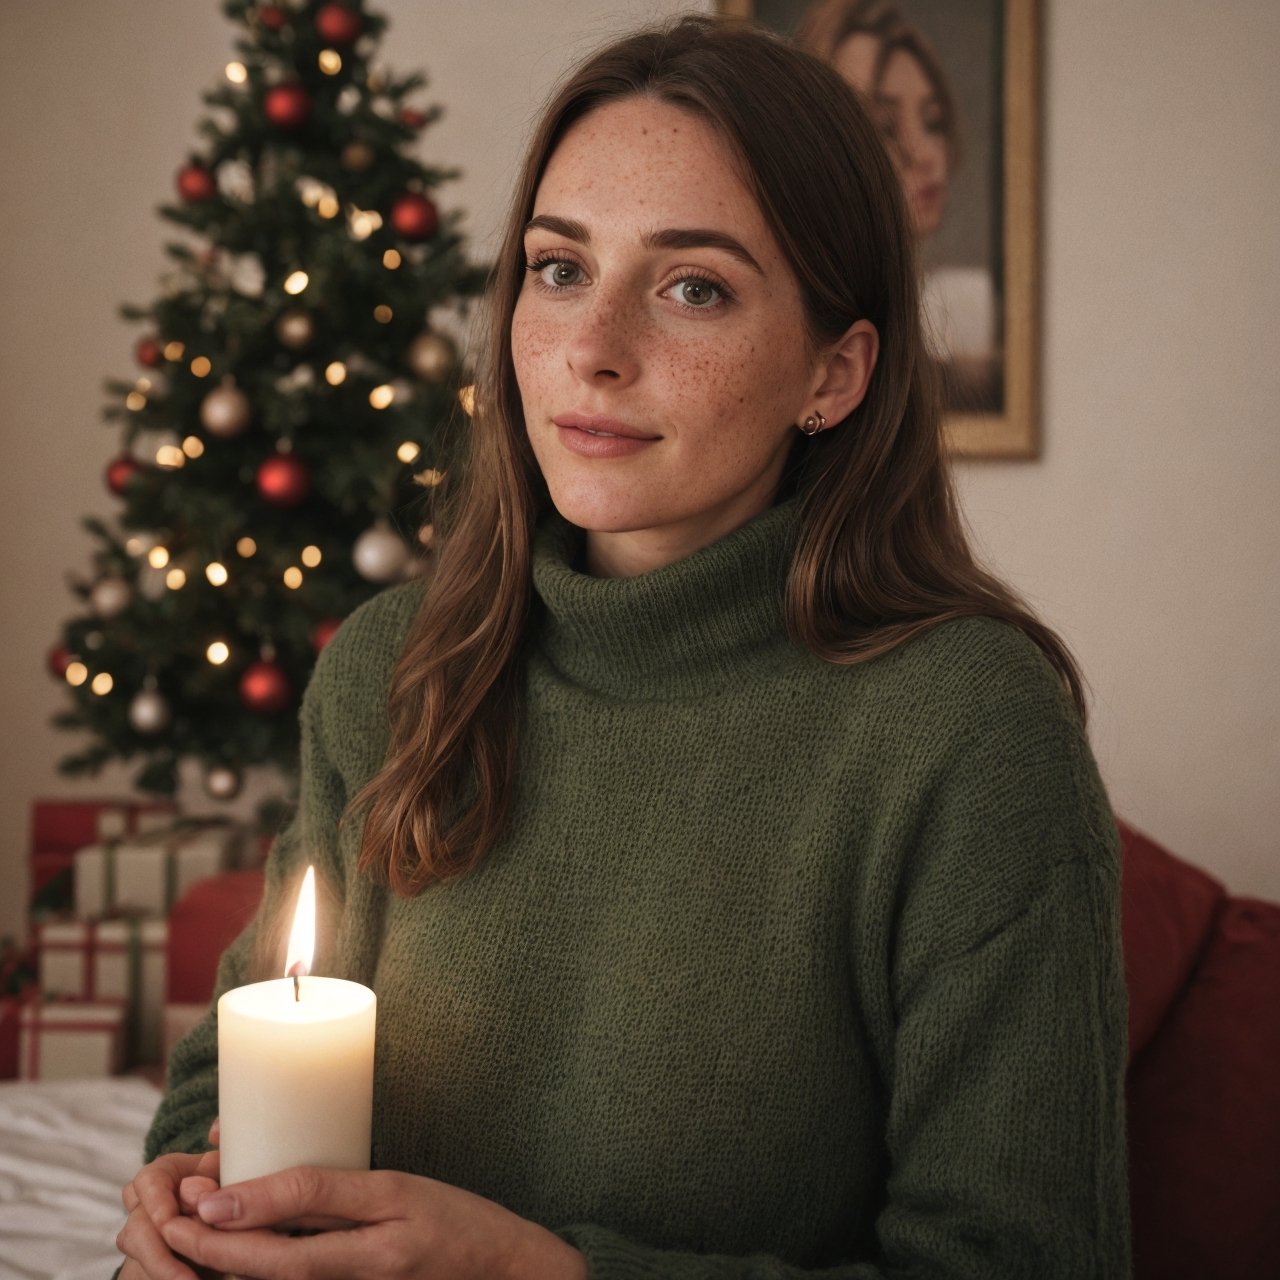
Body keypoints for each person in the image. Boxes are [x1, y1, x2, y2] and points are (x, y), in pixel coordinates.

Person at [116, 15, 1129, 1279]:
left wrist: (538, 1271)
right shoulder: (388, 668)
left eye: (690, 285)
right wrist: (180, 1205)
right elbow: (237, 1050)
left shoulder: (967, 729)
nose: (592, 349)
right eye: (557, 268)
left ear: (834, 370)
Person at [799, 1, 1000, 404]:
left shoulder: (969, 307)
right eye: (885, 126)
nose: (926, 154)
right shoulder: (790, 319)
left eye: (933, 121)